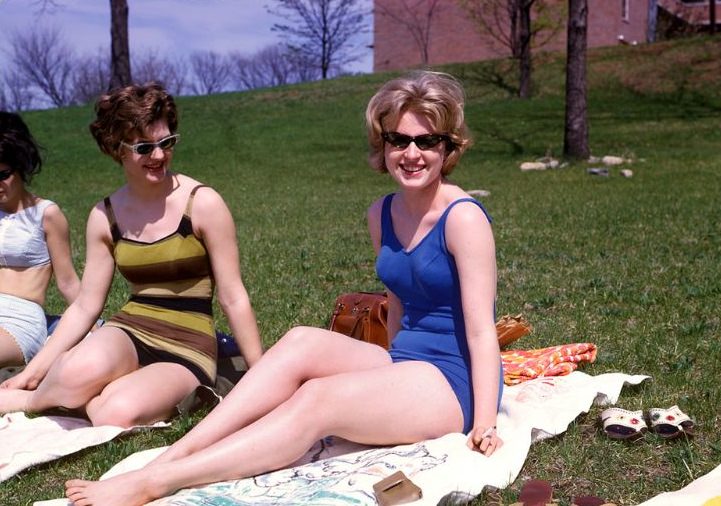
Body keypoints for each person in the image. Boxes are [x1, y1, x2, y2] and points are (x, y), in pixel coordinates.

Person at [63, 70, 503, 506]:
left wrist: (484, 422)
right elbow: (397, 303)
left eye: (426, 141)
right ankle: (176, 453)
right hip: (407, 361)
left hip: (453, 382)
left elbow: (482, 330)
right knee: (300, 341)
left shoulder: (463, 218)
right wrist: (386, 377)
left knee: (318, 399)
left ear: (447, 147)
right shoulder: (382, 213)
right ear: (382, 144)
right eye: (398, 140)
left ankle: (160, 482)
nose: (411, 153)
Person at [0, 83, 263, 428]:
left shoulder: (202, 203)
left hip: (187, 344)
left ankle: (44, 400)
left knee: (114, 413)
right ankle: (39, 396)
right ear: (116, 149)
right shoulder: (104, 216)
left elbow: (233, 296)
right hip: (131, 328)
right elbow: (84, 305)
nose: (158, 155)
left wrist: (261, 374)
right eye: (144, 147)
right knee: (73, 373)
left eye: (166, 143)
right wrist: (32, 373)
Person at [0, 111, 80, 369]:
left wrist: (92, 328)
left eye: (3, 175)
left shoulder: (47, 214)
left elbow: (67, 283)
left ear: (21, 166)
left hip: (20, 319)